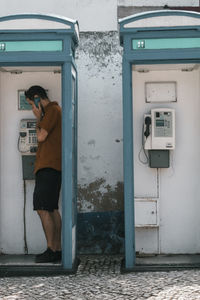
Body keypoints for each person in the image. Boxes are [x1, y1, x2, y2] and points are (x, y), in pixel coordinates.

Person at [25, 85, 62, 263]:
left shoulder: (52, 110)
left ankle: (52, 249)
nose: (31, 107)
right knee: (51, 208)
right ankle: (56, 249)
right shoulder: (53, 111)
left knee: (43, 208)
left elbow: (40, 137)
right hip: (50, 166)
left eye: (31, 103)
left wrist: (38, 117)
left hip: (48, 166)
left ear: (38, 98)